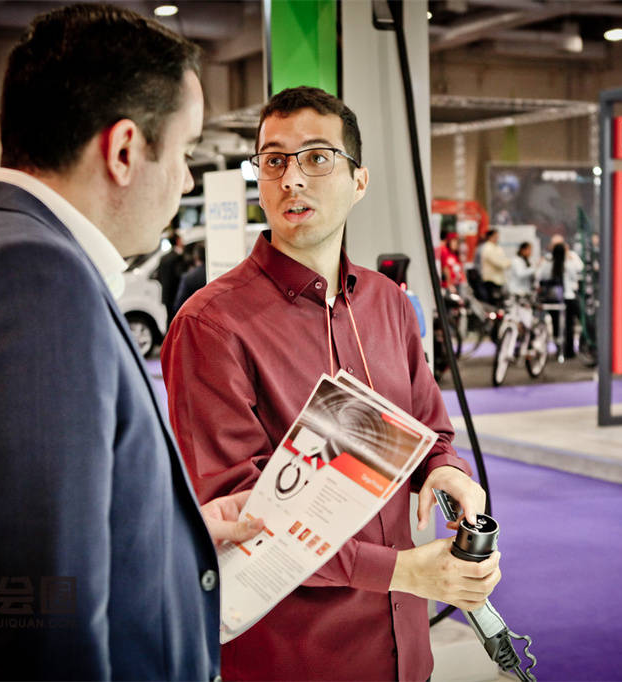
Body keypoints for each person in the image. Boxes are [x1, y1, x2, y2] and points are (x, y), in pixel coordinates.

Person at [0, 5, 261, 679]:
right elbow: (37, 629)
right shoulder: (30, 279)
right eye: (185, 152)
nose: (187, 179)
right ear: (124, 150)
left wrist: (164, 538)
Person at [161, 86, 501, 681]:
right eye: (274, 161)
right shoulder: (211, 326)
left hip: (405, 651)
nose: (292, 179)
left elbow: (430, 430)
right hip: (295, 657)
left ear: (359, 181)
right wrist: (403, 571)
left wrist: (445, 471)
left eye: (317, 157)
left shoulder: (389, 304)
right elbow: (241, 517)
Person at [537, 240, 583, 359]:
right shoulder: (569, 263)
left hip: (553, 299)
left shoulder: (547, 264)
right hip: (568, 297)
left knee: (556, 324)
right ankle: (569, 350)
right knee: (569, 325)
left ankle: (559, 349)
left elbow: (540, 276)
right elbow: (577, 273)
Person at [157, 230, 188, 319]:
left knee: (170, 319)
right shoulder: (179, 258)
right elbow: (180, 276)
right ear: (178, 241)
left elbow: (159, 276)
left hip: (167, 296)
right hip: (177, 295)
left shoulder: (164, 258)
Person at [479, 228, 511, 304]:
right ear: (490, 237)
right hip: (491, 280)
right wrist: (506, 263)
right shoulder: (487, 248)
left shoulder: (497, 247)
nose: (497, 238)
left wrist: (506, 263)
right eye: (495, 236)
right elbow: (498, 263)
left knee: (500, 301)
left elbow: (504, 260)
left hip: (499, 280)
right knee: (493, 303)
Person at [174, 243, 207, 309]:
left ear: (195, 257)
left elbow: (179, 304)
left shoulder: (188, 277)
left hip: (194, 312)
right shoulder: (213, 274)